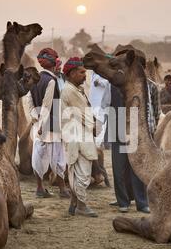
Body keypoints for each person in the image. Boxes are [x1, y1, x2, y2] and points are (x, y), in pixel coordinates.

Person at [29, 48, 70, 199]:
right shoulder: (51, 81)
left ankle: (39, 188)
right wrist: (42, 125)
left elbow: (30, 102)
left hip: (38, 124)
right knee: (58, 157)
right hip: (51, 125)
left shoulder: (36, 79)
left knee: (38, 156)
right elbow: (47, 105)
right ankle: (63, 190)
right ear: (54, 64)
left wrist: (36, 119)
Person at [61, 57, 99, 217]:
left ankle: (74, 204)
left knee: (76, 171)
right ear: (71, 73)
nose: (85, 75)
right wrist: (94, 126)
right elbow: (85, 115)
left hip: (74, 135)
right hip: (79, 136)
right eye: (81, 72)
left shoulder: (73, 89)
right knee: (83, 173)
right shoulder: (71, 91)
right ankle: (81, 206)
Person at [108, 84, 150, 214]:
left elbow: (145, 108)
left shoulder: (136, 84)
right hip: (116, 127)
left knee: (136, 169)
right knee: (118, 169)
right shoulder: (111, 85)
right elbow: (102, 104)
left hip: (133, 128)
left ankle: (141, 203)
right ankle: (123, 202)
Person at [89, 71, 111, 148]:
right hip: (94, 103)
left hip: (102, 103)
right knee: (95, 124)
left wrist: (99, 82)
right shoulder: (93, 73)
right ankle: (98, 143)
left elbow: (108, 82)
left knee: (101, 124)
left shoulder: (104, 72)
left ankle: (101, 143)